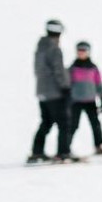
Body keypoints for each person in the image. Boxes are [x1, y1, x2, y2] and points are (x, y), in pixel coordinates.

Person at [29, 19, 74, 163]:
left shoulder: (40, 47)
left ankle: (37, 151)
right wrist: (65, 87)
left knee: (46, 122)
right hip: (55, 92)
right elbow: (58, 70)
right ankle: (63, 152)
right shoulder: (54, 49)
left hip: (42, 91)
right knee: (64, 122)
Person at [68, 41, 102, 156]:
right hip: (75, 101)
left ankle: (99, 146)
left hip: (90, 101)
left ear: (88, 52)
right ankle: (66, 147)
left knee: (95, 124)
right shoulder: (73, 68)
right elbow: (67, 85)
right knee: (73, 125)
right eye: (79, 50)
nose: (81, 53)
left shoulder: (93, 68)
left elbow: (98, 84)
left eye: (83, 50)